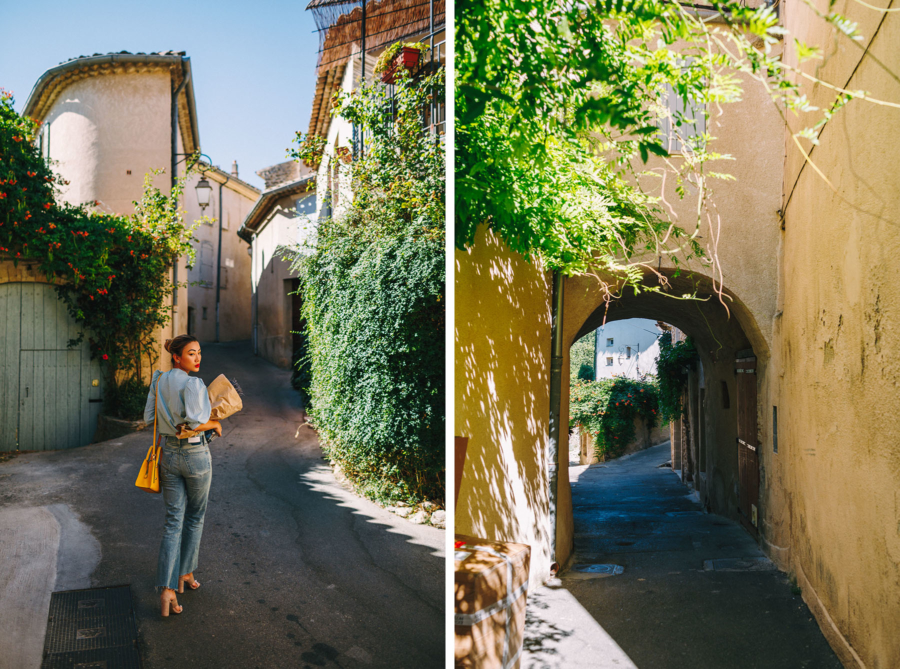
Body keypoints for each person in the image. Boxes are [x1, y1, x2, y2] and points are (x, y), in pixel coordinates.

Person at [144, 335, 222, 617]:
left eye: (199, 353)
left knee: (173, 521)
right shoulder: (194, 383)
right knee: (195, 516)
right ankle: (184, 573)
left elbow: (149, 417)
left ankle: (168, 589)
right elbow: (195, 422)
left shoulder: (158, 380)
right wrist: (214, 422)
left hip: (169, 456)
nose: (197, 358)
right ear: (177, 357)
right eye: (191, 353)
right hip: (195, 456)